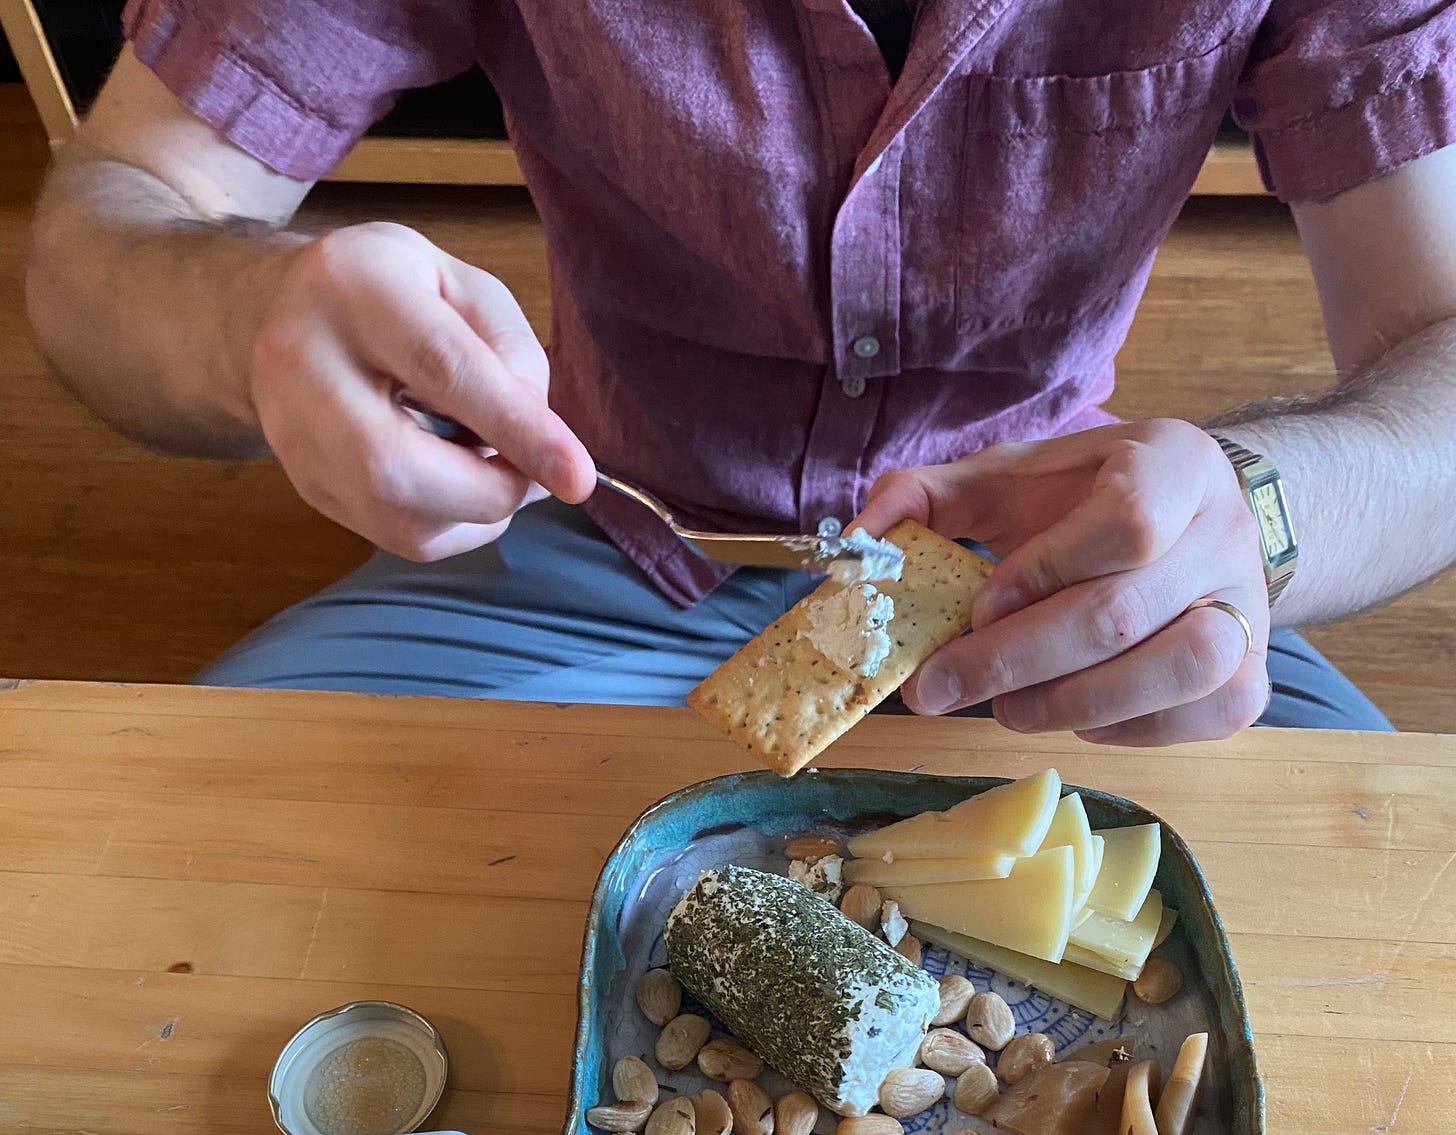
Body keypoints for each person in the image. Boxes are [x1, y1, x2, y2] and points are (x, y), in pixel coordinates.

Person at [24, 2, 1456, 744]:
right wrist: (253, 322)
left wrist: (1260, 514)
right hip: (592, 539)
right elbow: (101, 227)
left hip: (1050, 586)